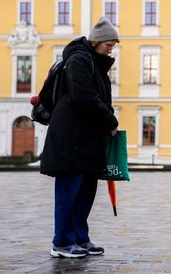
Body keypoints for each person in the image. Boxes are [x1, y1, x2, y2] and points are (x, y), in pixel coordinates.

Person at [40, 17, 119, 258]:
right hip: (70, 139)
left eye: (113, 44)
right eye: (109, 43)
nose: (111, 48)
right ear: (96, 41)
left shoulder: (95, 63)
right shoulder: (79, 59)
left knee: (85, 193)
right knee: (68, 193)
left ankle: (80, 239)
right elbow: (83, 96)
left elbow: (98, 99)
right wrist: (110, 119)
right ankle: (62, 242)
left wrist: (106, 119)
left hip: (87, 140)